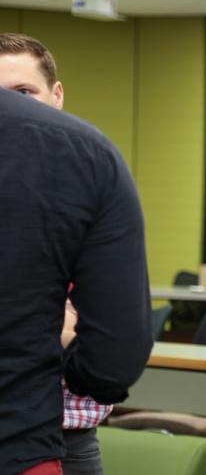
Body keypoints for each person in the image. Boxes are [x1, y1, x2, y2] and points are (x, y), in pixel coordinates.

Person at [0, 34, 152, 474]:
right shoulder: (92, 158)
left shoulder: (84, 171)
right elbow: (114, 359)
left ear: (57, 93)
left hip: (63, 434)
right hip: (24, 440)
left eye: (24, 93)